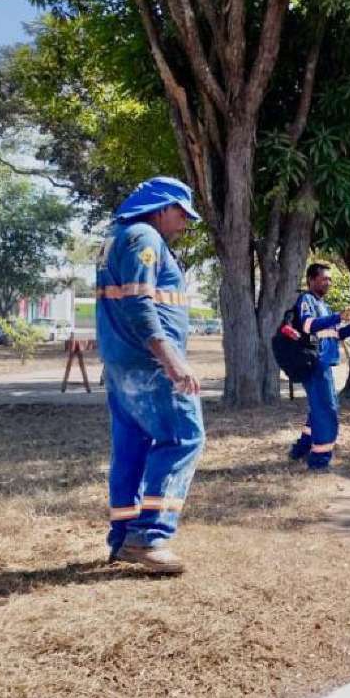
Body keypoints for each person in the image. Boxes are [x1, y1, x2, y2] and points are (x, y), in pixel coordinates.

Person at [96, 177, 204, 574]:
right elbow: (140, 304)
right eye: (181, 213)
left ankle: (123, 536)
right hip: (150, 366)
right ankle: (149, 536)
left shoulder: (119, 236)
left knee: (132, 445)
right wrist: (170, 359)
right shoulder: (143, 236)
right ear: (162, 207)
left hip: (124, 364)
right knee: (184, 437)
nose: (185, 223)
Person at [287, 264, 350, 470]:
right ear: (311, 280)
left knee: (318, 410)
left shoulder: (323, 305)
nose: (329, 283)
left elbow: (336, 334)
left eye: (330, 279)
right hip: (314, 364)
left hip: (324, 365)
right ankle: (319, 462)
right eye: (325, 279)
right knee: (326, 410)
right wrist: (339, 316)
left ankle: (301, 450)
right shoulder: (306, 300)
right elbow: (308, 325)